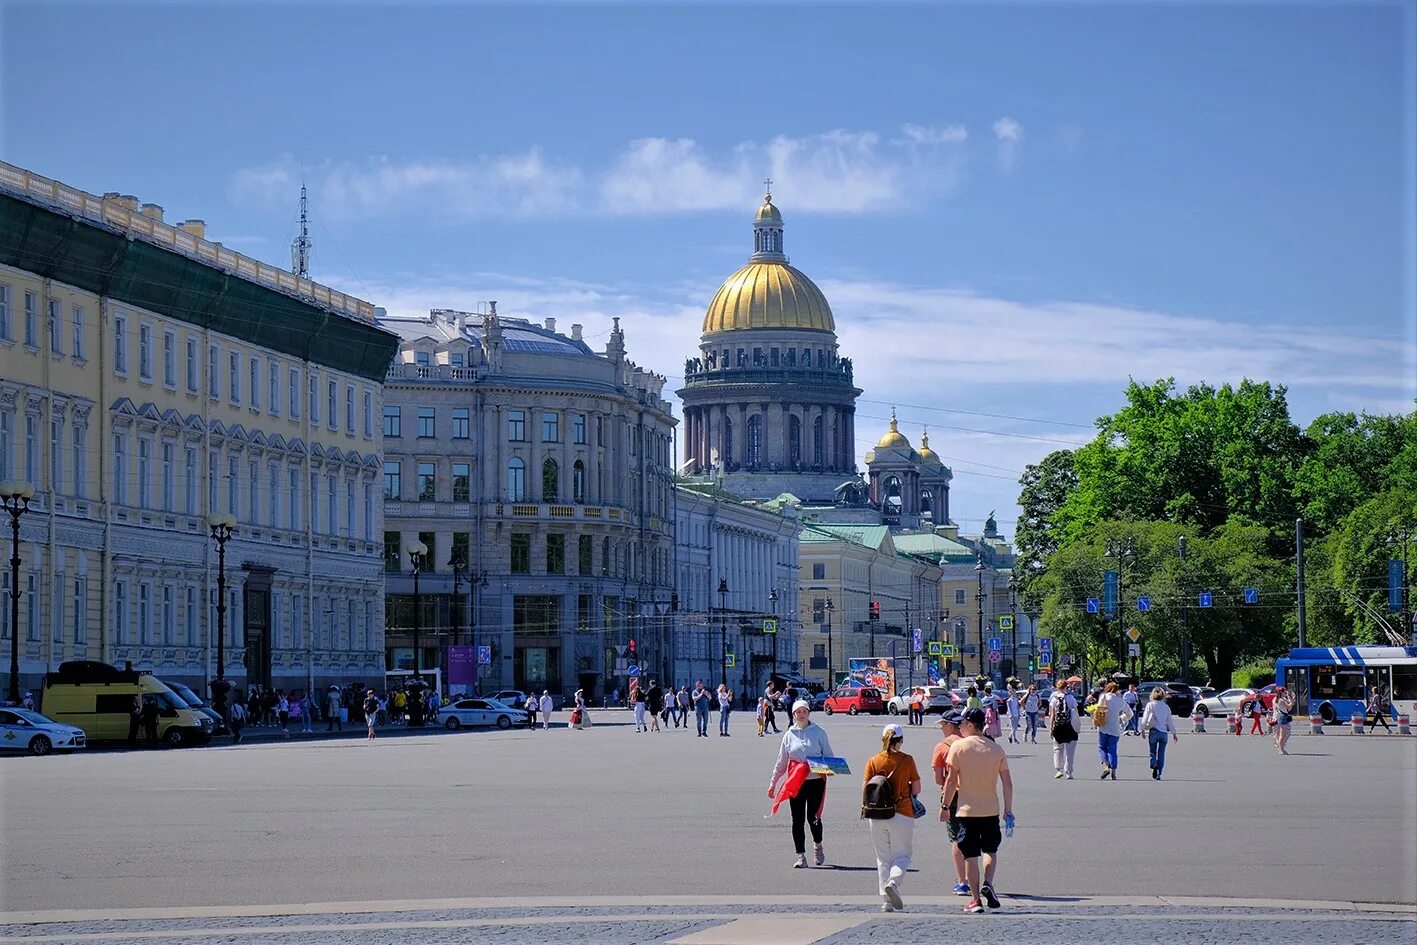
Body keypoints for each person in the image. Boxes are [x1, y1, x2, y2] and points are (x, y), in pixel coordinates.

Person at [942, 708, 1014, 914]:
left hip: (966, 811)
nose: (960, 727)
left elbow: (950, 780)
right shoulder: (996, 749)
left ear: (971, 725)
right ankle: (988, 883)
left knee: (970, 855)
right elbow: (1007, 783)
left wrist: (945, 806)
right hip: (990, 810)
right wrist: (1008, 810)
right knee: (990, 850)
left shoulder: (958, 747)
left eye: (963, 724)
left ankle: (975, 899)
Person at [767, 699, 835, 868]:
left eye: (804, 711)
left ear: (809, 713)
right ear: (793, 715)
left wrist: (829, 767)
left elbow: (829, 757)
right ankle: (800, 856)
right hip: (796, 783)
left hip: (815, 781)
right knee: (797, 820)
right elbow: (781, 762)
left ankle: (818, 845)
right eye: (798, 712)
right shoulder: (789, 735)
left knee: (814, 818)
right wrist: (773, 783)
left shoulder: (819, 732)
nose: (802, 715)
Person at [862, 723, 921, 912]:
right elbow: (917, 788)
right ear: (901, 741)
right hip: (902, 812)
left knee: (882, 858)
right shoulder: (907, 760)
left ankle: (886, 901)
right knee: (902, 855)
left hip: (876, 814)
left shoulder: (873, 761)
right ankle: (894, 883)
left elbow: (865, 788)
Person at [931, 712, 970, 896]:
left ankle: (962, 882)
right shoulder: (970, 743)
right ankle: (977, 879)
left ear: (949, 725)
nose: (941, 728)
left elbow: (939, 779)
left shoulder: (941, 746)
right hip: (974, 794)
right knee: (973, 837)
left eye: (942, 725)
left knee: (956, 837)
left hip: (952, 795)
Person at [1138, 686, 1179, 779]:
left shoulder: (1150, 705)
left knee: (1152, 751)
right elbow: (1170, 722)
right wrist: (1174, 733)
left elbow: (1145, 718)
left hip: (1154, 731)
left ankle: (1153, 764)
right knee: (1161, 753)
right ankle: (1159, 773)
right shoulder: (1166, 707)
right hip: (1164, 733)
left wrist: (1142, 729)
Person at [1094, 681, 1130, 780]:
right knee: (1112, 750)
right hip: (1115, 728)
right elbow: (1130, 713)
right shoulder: (1121, 701)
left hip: (1104, 726)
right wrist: (1121, 719)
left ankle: (1106, 767)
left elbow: (1098, 708)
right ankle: (1114, 772)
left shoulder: (1104, 696)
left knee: (1102, 747)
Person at [1049, 679, 1079, 779]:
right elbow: (1076, 713)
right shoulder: (1071, 698)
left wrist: (1051, 729)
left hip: (1058, 727)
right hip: (1070, 727)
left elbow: (1052, 715)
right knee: (1070, 751)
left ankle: (1058, 770)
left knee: (1058, 749)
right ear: (1066, 687)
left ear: (1057, 687)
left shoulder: (1054, 699)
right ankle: (1069, 772)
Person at [1272, 687, 1296, 754]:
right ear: (1281, 692)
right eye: (1285, 692)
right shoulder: (1277, 699)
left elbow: (1289, 708)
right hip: (1278, 717)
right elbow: (1288, 706)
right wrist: (1292, 700)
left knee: (1286, 732)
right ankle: (1280, 748)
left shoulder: (1282, 699)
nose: (1286, 693)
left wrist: (1291, 699)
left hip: (1283, 716)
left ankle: (1281, 746)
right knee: (1279, 734)